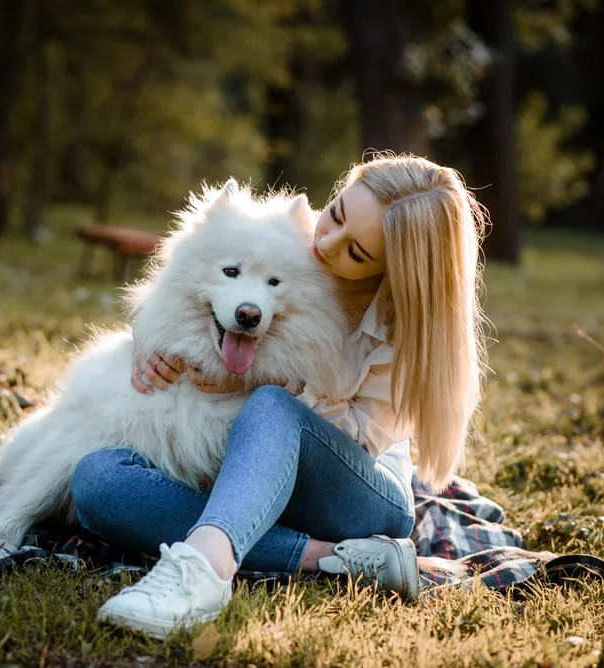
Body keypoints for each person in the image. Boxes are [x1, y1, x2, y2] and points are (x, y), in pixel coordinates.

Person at [69, 152, 488, 639]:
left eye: (356, 253)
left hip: (356, 495)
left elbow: (359, 440)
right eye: (335, 214)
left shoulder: (403, 331)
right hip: (253, 477)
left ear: (393, 269)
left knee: (271, 405)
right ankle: (334, 560)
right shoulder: (286, 242)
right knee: (98, 480)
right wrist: (151, 339)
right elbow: (190, 274)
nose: (326, 244)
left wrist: (264, 382)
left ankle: (201, 575)